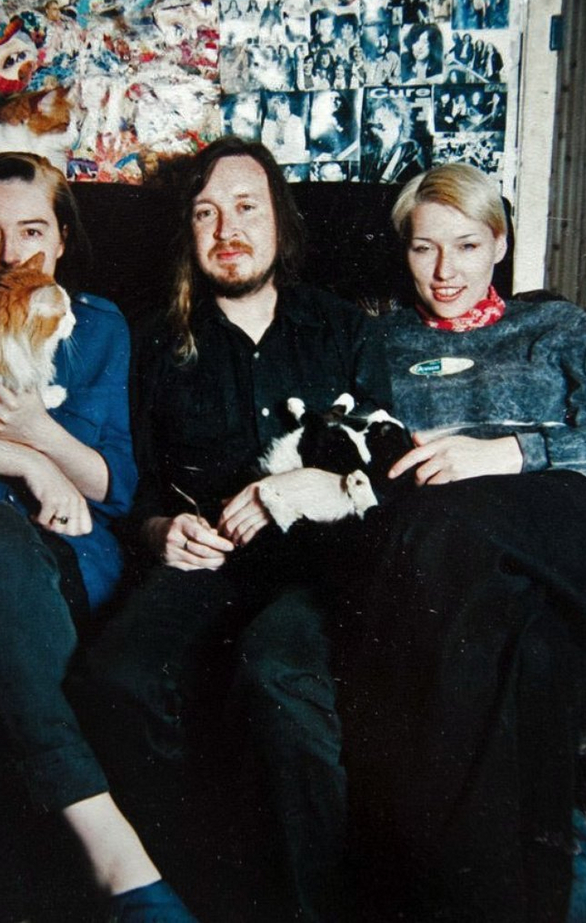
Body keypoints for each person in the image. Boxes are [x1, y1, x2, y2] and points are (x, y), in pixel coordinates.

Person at [0, 153, 197, 923]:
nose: (10, 253)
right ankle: (117, 859)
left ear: (61, 237)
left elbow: (113, 484)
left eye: (31, 230)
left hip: (54, 556)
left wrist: (39, 431)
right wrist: (27, 463)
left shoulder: (96, 323)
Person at [83, 137, 373, 923]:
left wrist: (311, 487)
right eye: (206, 213)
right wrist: (160, 531)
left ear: (281, 220)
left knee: (275, 674)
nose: (227, 230)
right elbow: (136, 485)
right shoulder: (153, 340)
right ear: (188, 231)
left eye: (246, 207)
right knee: (116, 677)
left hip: (318, 567)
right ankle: (203, 896)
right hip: (204, 565)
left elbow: (385, 463)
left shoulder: (343, 328)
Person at [334, 163, 586, 922]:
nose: (445, 271)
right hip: (456, 560)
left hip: (556, 517)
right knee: (530, 648)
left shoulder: (557, 326)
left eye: (468, 245)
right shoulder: (378, 340)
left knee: (441, 527)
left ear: (500, 244)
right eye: (424, 248)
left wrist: (509, 452)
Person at [360, 94, 426, 182]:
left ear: (399, 119)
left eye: (386, 117)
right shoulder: (374, 153)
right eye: (378, 119)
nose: (381, 123)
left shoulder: (410, 148)